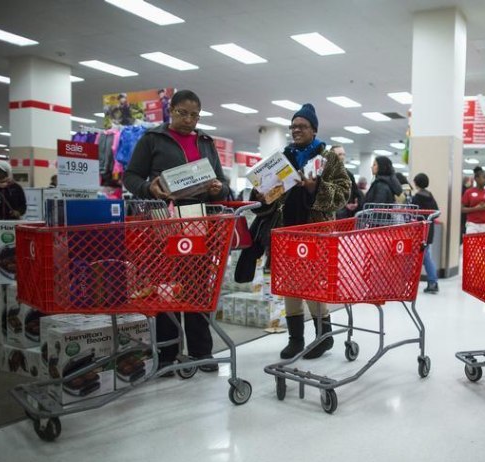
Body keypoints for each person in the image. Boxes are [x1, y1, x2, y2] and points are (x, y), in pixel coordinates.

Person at [124, 89, 230, 376]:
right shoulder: (153, 139)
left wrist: (220, 187)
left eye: (195, 114)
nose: (189, 119)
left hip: (198, 221)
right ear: (171, 110)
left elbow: (222, 181)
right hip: (165, 221)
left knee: (196, 286)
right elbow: (130, 176)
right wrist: (149, 188)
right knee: (167, 286)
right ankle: (167, 354)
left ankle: (201, 351)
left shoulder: (206, 142)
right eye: (183, 113)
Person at [252, 103, 350, 360]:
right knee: (289, 287)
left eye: (302, 126)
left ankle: (323, 337)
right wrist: (262, 194)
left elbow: (343, 193)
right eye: (293, 126)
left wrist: (314, 188)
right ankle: (296, 339)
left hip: (315, 232)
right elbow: (270, 196)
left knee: (313, 286)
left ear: (314, 130)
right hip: (285, 233)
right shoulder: (281, 158)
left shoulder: (327, 158)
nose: (296, 130)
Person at [411, 173, 439, 294]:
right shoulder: (430, 195)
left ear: (416, 183)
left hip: (420, 230)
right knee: (426, 255)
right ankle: (432, 282)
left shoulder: (417, 197)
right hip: (430, 229)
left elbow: (413, 212)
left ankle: (433, 282)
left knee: (425, 256)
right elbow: (437, 211)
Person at [332, 145, 363, 218]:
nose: (342, 157)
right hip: (332, 215)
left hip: (346, 215)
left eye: (343, 154)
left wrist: (356, 203)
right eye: (339, 154)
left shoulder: (349, 174)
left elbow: (355, 191)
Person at [461, 166, 485, 234]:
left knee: (484, 244)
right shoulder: (469, 192)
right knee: (471, 244)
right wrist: (475, 208)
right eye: (483, 177)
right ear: (476, 179)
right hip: (472, 224)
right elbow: (462, 209)